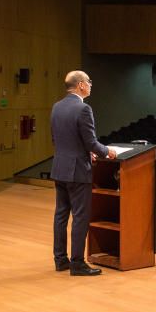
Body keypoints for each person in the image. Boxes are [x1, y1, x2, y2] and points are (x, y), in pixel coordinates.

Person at [50, 71, 116, 276]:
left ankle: (61, 260)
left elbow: (58, 139)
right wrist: (107, 151)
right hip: (77, 170)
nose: (90, 85)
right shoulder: (83, 108)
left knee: (61, 215)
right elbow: (90, 142)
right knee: (80, 216)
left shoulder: (56, 107)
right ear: (80, 85)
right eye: (89, 81)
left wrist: (85, 151)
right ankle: (77, 263)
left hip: (60, 167)